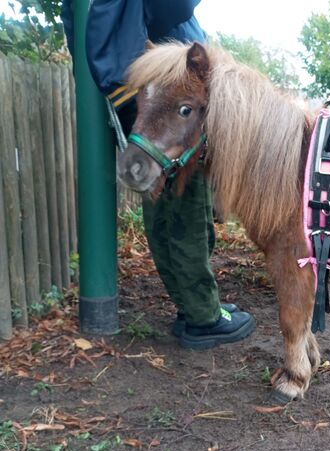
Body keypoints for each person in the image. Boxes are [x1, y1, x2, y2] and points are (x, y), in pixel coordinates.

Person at [61, 0, 256, 349]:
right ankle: (203, 318)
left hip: (146, 111)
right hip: (171, 111)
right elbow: (176, 5)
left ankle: (190, 308)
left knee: (164, 215)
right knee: (186, 215)